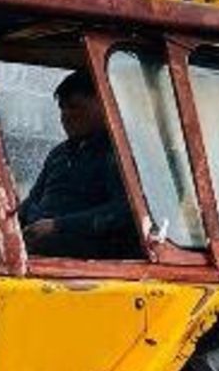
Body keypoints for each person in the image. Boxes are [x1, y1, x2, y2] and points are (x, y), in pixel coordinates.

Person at [19, 71, 136, 258]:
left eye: (75, 107)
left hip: (85, 256)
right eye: (62, 108)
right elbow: (33, 200)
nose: (66, 116)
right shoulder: (59, 154)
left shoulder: (119, 153)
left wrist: (58, 226)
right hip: (38, 245)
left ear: (102, 105)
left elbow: (125, 211)